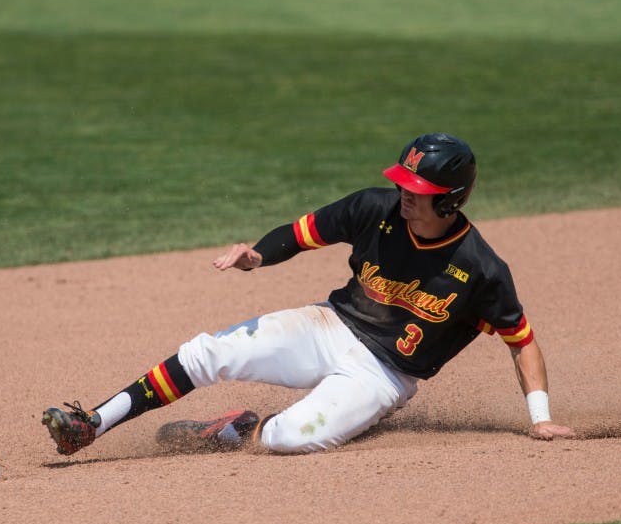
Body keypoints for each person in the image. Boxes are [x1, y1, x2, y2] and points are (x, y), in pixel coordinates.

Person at [41, 133, 575, 455]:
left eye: (419, 192)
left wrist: (540, 416)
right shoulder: (375, 209)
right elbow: (300, 233)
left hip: (383, 374)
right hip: (331, 324)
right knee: (210, 351)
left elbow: (520, 340)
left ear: (451, 200)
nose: (404, 196)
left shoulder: (480, 269)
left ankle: (240, 429)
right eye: (403, 185)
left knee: (289, 440)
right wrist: (258, 255)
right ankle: (93, 423)